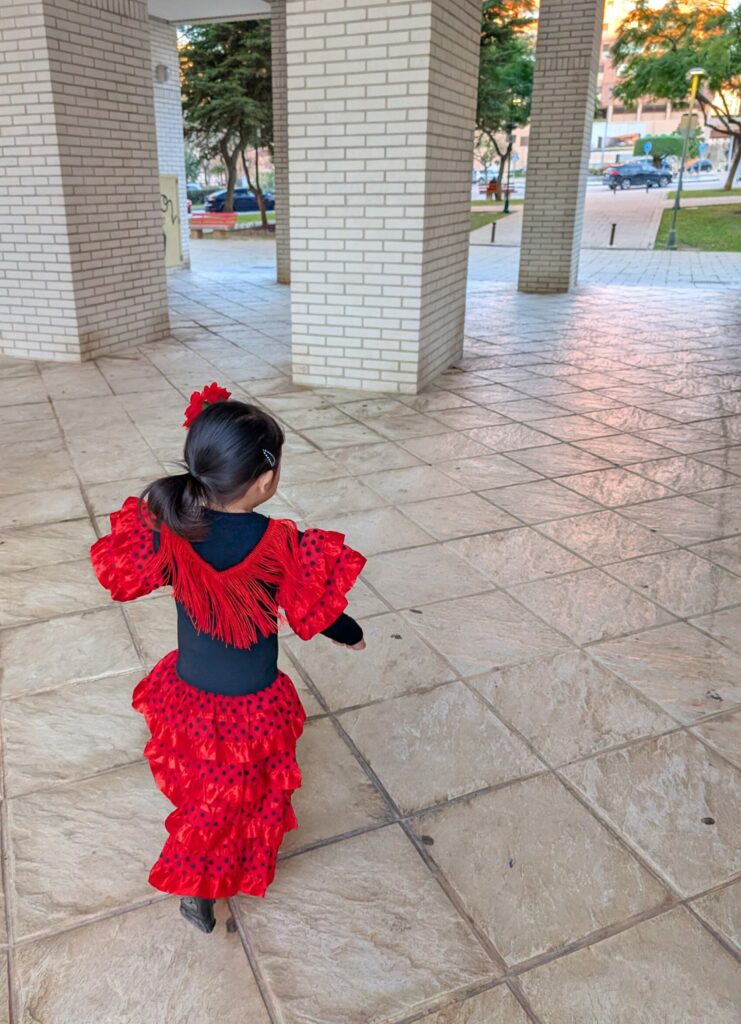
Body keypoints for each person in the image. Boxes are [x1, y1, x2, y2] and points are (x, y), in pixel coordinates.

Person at [90, 383, 366, 934]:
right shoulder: (282, 544)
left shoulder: (169, 528)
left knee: (205, 787)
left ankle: (204, 875)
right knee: (241, 793)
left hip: (189, 693)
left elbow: (118, 576)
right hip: (250, 701)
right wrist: (350, 633)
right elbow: (317, 609)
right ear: (265, 481)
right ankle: (200, 882)